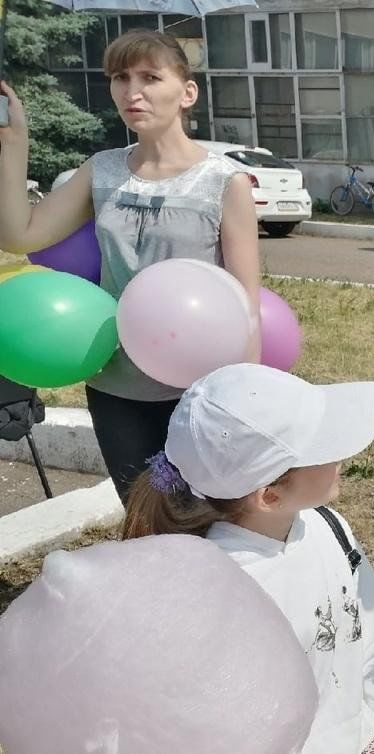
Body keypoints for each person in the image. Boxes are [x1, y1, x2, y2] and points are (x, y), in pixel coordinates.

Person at [121, 363, 374, 754]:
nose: (343, 454)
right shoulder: (214, 587)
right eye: (323, 447)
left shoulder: (326, 527)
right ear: (268, 495)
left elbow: (372, 632)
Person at [0, 30, 260, 502]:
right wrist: (15, 144)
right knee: (143, 516)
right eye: (120, 77)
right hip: (116, 386)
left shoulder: (225, 182)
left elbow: (247, 303)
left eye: (149, 77)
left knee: (206, 516)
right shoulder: (101, 170)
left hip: (198, 391)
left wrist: (250, 400)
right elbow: (22, 235)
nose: (131, 91)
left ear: (187, 92)